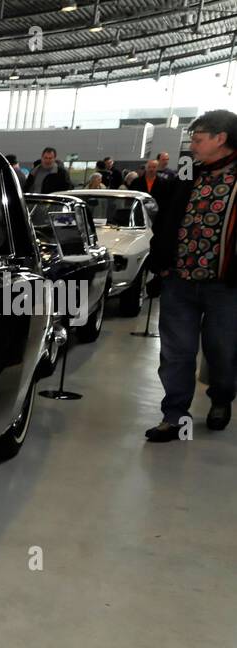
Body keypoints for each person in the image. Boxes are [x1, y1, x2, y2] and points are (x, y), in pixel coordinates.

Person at [143, 109, 237, 442]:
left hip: (225, 286)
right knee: (176, 352)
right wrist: (160, 262)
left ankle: (222, 399)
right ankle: (174, 417)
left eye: (198, 140)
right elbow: (168, 218)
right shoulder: (188, 172)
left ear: (220, 139)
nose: (192, 146)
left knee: (222, 351)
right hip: (179, 280)